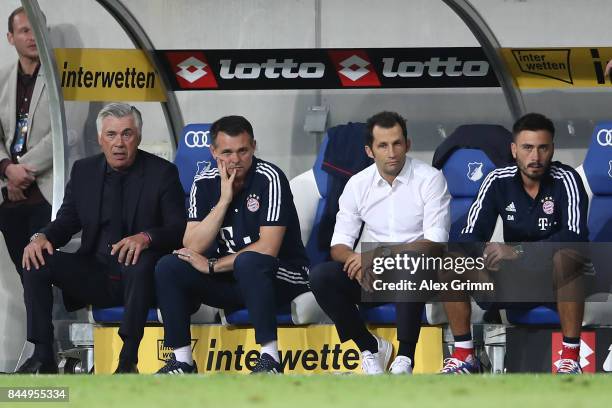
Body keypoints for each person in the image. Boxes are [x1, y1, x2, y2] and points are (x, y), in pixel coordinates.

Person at [18, 103, 186, 374]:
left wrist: (146, 237)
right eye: (111, 135)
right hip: (95, 272)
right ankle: (42, 355)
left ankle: (128, 360)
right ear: (100, 138)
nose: (119, 143)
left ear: (138, 137)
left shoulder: (162, 173)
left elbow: (179, 228)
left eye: (127, 134)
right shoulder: (84, 171)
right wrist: (40, 237)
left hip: (140, 277)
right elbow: (66, 222)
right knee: (35, 260)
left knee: (139, 260)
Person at [154, 115, 310, 374]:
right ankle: (182, 361)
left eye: (243, 151)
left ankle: (270, 359)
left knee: (250, 261)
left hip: (282, 276)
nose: (235, 160)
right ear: (213, 152)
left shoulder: (270, 177)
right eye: (227, 152)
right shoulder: (203, 181)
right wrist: (224, 200)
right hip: (233, 279)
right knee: (169, 266)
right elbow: (192, 244)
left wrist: (213, 266)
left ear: (254, 147)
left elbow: (268, 248)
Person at [441, 113, 589, 374]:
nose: (535, 157)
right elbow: (468, 235)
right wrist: (484, 252)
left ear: (552, 149)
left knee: (568, 258)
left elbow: (575, 237)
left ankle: (570, 358)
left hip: (556, 281)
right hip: (515, 282)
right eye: (527, 148)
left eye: (543, 148)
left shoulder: (566, 180)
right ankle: (465, 355)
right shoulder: (497, 179)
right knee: (452, 260)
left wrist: (517, 251)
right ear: (514, 149)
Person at [309, 111, 451, 375]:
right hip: (375, 275)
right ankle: (369, 348)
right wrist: (355, 260)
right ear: (370, 150)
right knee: (321, 276)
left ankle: (405, 359)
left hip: (422, 273)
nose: (392, 152)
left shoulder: (430, 179)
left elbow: (435, 243)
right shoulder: (357, 184)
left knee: (412, 265)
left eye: (397, 143)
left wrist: (378, 255)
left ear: (408, 144)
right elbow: (338, 245)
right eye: (383, 145)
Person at [0, 7, 53, 278]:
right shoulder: (3, 78)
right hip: (9, 198)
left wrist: (20, 171)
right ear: (11, 38)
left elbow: (68, 134)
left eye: (37, 29)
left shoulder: (63, 76)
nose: (33, 36)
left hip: (46, 194)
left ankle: (50, 322)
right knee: (26, 277)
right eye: (24, 30)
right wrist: (7, 169)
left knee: (43, 275)